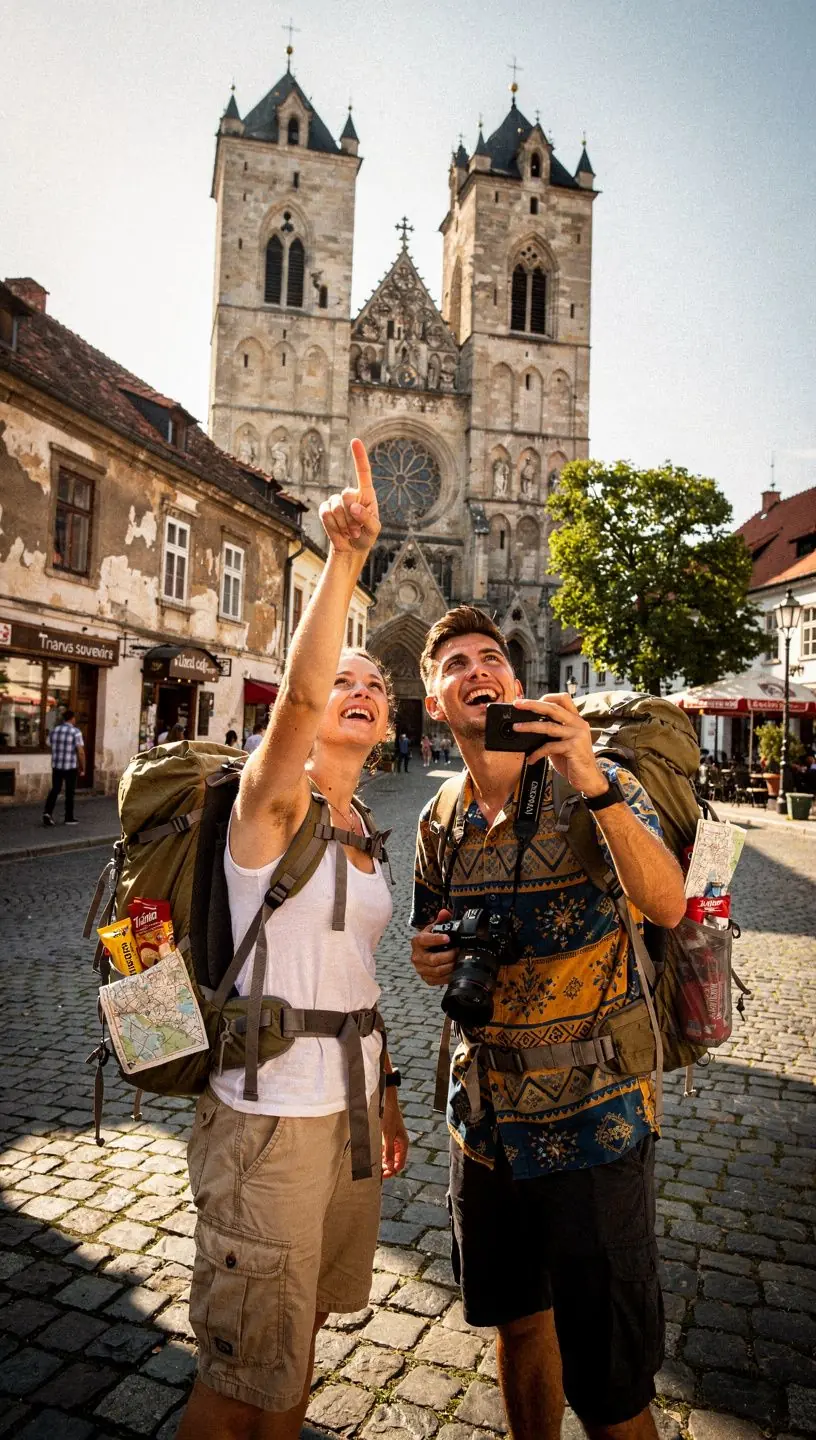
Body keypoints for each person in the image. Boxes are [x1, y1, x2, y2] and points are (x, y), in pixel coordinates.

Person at [178, 439, 409, 1440]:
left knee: (300, 1340)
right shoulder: (268, 805)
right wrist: (347, 559)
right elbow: (303, 697)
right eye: (345, 677)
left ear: (389, 724)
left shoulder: (364, 830)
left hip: (346, 1115)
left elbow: (355, 978)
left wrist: (386, 1090)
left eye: (378, 685)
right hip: (267, 1120)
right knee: (240, 1379)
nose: (360, 688)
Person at [410, 606, 686, 1440]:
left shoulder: (588, 782)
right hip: (485, 1125)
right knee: (519, 1324)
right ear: (433, 701)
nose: (477, 670)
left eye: (490, 656)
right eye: (455, 663)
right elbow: (435, 936)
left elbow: (667, 901)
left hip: (595, 1123)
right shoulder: (439, 819)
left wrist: (591, 778)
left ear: (516, 678)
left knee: (611, 1387)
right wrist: (431, 956)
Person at [43, 708, 85, 826]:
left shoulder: (54, 730)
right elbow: (80, 751)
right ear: (72, 719)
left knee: (55, 789)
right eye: (74, 718)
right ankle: (68, 817)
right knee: (70, 792)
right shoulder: (75, 732)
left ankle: (47, 812)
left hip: (57, 765)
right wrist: (82, 767)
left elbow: (48, 743)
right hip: (70, 766)